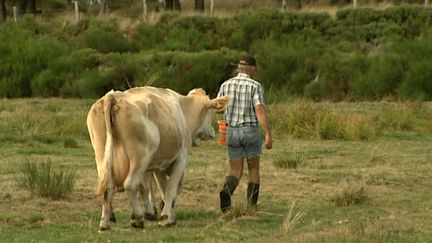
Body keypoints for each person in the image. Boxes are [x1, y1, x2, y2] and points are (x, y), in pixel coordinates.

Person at [216, 55, 273, 212]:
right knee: (253, 169)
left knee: (235, 170)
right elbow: (259, 109)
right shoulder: (255, 86)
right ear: (252, 69)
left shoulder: (225, 85)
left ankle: (226, 193)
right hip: (250, 131)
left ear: (238, 69)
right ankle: (251, 207)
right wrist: (267, 132)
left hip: (231, 131)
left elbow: (219, 108)